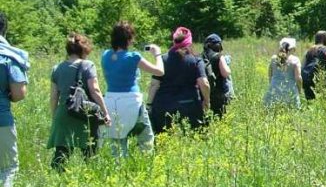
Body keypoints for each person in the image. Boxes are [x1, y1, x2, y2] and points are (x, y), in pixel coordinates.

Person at [47, 33, 111, 170]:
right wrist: (106, 113)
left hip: (64, 113)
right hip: (84, 114)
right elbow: (95, 90)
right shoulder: (88, 65)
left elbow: (53, 97)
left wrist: (54, 116)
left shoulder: (56, 68)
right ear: (84, 49)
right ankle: (91, 183)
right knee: (90, 155)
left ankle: (58, 182)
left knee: (61, 155)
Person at [100, 21, 164, 157]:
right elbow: (159, 71)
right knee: (146, 136)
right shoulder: (133, 57)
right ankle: (145, 165)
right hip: (131, 101)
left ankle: (118, 170)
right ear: (128, 39)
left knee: (117, 139)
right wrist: (157, 54)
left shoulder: (105, 55)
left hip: (111, 100)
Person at [149, 27, 210, 134]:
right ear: (190, 42)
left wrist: (149, 104)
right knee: (193, 138)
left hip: (164, 106)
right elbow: (204, 83)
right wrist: (206, 101)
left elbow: (154, 84)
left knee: (165, 140)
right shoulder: (196, 59)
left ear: (174, 41)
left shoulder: (163, 59)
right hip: (190, 105)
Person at [0, 12, 29, 187]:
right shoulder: (9, 57)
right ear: (4, 29)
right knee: (8, 168)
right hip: (1, 119)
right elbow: (19, 93)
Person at [264, 37, 303, 109]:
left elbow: (270, 75)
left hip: (274, 89)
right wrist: (299, 90)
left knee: (272, 114)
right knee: (292, 114)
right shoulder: (295, 60)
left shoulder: (273, 59)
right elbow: (298, 78)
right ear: (292, 49)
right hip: (290, 91)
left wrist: (272, 85)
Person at [203, 33, 232, 117]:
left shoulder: (200, 56)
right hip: (218, 93)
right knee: (219, 118)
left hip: (204, 92)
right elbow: (226, 73)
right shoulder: (219, 56)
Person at [301, 31, 326, 101]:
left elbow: (302, 66)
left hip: (307, 78)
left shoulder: (308, 50)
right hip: (320, 79)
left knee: (309, 101)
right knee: (322, 101)